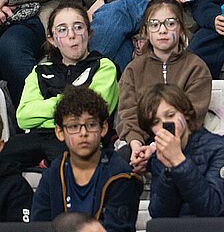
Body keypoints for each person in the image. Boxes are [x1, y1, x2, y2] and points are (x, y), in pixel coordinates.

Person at [4, 1, 118, 172]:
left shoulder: (103, 66)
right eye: (62, 30)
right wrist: (68, 103)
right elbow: (23, 116)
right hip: (37, 137)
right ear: (52, 40)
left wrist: (44, 108)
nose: (71, 35)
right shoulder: (40, 71)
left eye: (78, 27)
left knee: (65, 163)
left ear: (89, 33)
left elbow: (94, 110)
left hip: (77, 136)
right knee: (4, 157)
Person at [29, 86, 141, 232]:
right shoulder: (52, 175)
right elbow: (39, 226)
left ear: (103, 128)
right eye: (74, 126)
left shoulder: (121, 175)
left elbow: (119, 229)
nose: (83, 133)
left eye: (91, 125)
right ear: (60, 132)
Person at [119, 0, 211, 172]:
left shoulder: (196, 67)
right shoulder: (133, 69)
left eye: (170, 23)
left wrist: (155, 148)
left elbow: (192, 114)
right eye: (154, 25)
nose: (162, 30)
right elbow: (128, 113)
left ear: (182, 28)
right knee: (119, 164)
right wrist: (137, 146)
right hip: (143, 140)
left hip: (184, 139)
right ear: (145, 31)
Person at [141, 83, 224, 218]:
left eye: (171, 115)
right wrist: (169, 172)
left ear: (185, 114)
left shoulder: (221, 150)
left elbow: (211, 207)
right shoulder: (159, 157)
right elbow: (159, 215)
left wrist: (178, 162)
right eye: (156, 122)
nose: (165, 125)